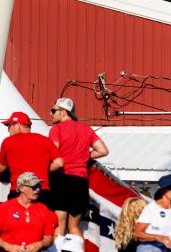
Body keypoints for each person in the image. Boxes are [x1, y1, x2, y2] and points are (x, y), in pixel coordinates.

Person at [48, 97, 109, 243]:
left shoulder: (56, 129)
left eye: (53, 110)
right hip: (80, 181)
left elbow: (53, 151)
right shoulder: (86, 129)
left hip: (62, 179)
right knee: (74, 227)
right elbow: (103, 150)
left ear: (63, 112)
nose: (51, 114)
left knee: (59, 225)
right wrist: (84, 156)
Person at [0, 111, 63, 208]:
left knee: (17, 222)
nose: (8, 130)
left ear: (18, 126)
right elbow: (59, 163)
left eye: (9, 126)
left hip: (19, 190)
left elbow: (1, 168)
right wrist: (43, 168)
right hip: (42, 190)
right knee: (42, 222)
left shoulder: (8, 142)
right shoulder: (45, 140)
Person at [0, 172, 57, 252]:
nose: (38, 189)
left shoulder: (43, 209)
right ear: (21, 188)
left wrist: (39, 244)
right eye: (34, 187)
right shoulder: (5, 207)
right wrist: (8, 246)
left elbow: (49, 238)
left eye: (39, 186)